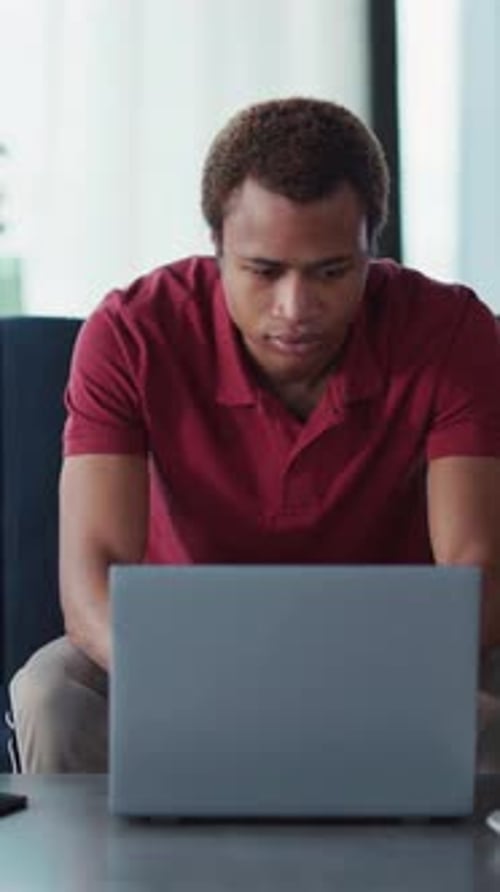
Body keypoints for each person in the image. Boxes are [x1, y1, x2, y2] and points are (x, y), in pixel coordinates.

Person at [9, 96, 500, 773]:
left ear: (371, 249)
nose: (296, 308)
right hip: (183, 658)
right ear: (217, 248)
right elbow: (90, 587)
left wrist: (325, 686)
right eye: (264, 272)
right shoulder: (129, 334)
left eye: (332, 271)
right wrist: (224, 688)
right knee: (52, 693)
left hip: (393, 658)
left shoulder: (452, 331)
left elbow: (479, 578)